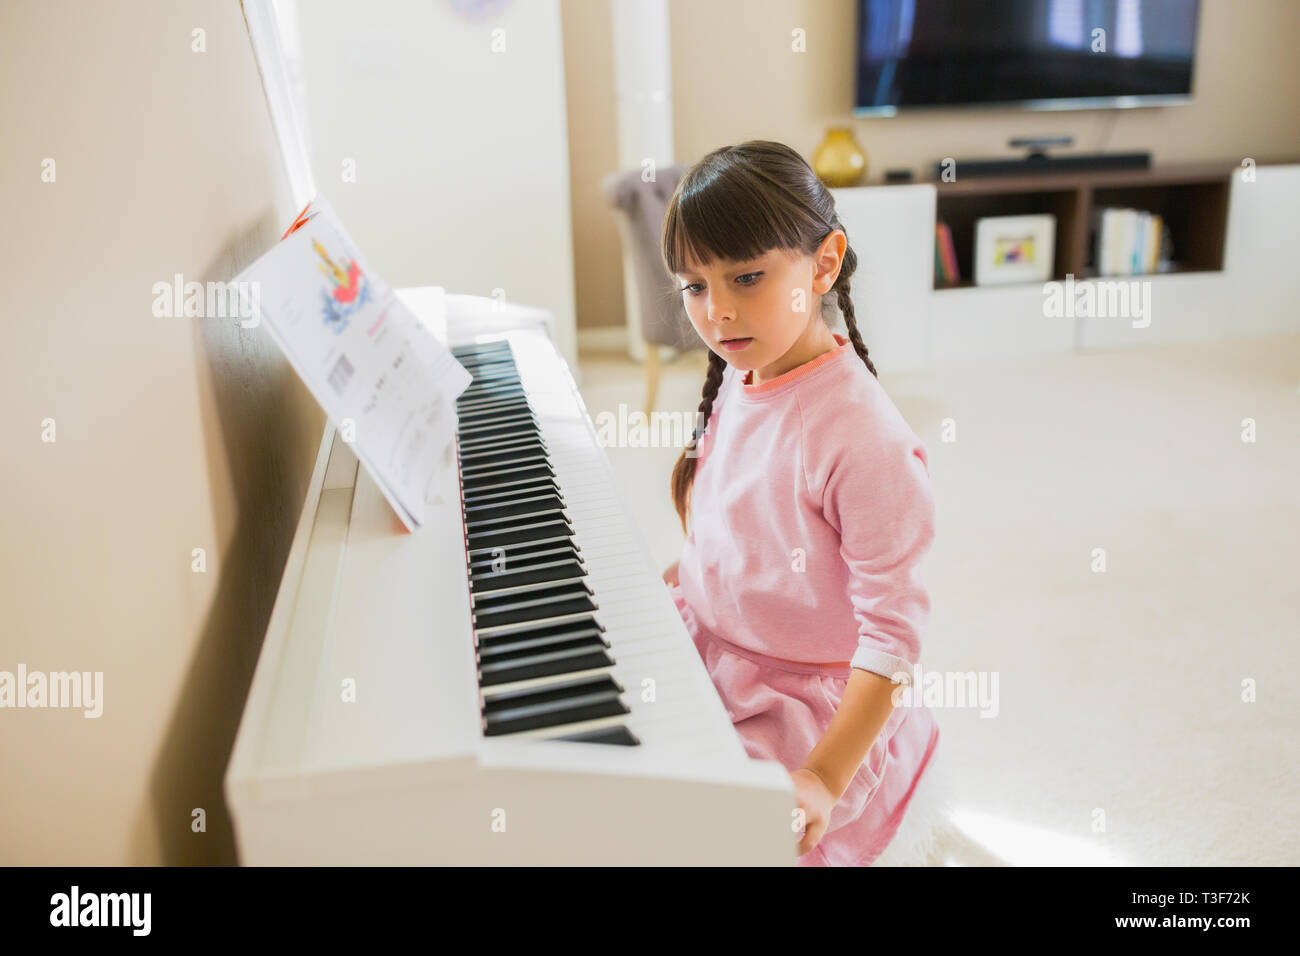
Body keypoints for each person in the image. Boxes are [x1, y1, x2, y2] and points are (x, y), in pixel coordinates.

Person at [660, 140, 944, 866]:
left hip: (798, 709)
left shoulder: (865, 439)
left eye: (746, 276)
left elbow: (892, 638)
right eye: (694, 286)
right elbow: (741, 510)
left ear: (823, 263)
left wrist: (819, 777)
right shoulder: (743, 366)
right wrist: (699, 574)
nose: (717, 311)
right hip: (709, 643)